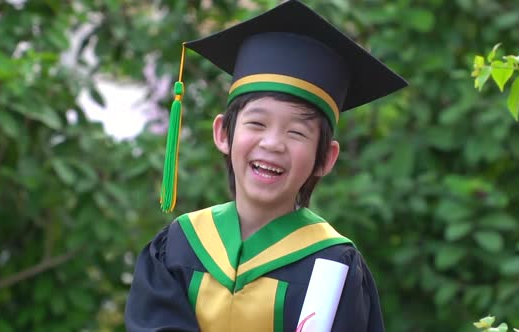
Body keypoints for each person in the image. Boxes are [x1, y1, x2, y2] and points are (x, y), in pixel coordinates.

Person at [125, 1, 407, 331]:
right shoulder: (179, 247)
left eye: (296, 132)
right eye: (257, 124)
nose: (272, 143)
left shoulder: (332, 264)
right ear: (223, 134)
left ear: (325, 158)